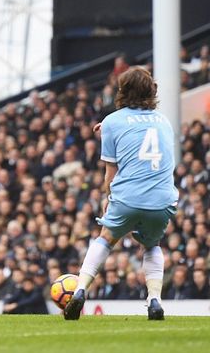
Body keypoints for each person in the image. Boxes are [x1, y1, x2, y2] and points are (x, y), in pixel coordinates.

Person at [64, 67, 178, 321]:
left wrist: (109, 199)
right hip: (162, 198)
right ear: (151, 91)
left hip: (128, 197)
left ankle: (80, 290)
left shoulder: (112, 122)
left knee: (106, 238)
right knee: (152, 245)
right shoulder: (164, 121)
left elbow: (110, 175)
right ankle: (155, 300)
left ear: (122, 91)